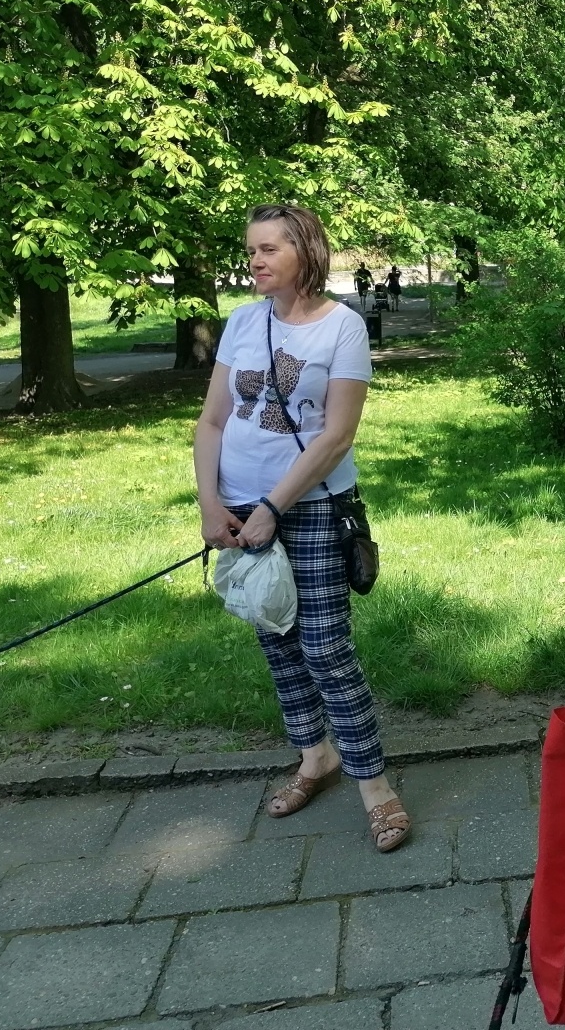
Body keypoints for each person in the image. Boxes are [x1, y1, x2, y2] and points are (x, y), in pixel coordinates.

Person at [193, 203, 411, 853]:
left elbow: (338, 434)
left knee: (325, 647)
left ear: (303, 251)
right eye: (250, 250)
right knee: (278, 644)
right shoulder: (239, 323)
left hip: (312, 506)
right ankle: (315, 758)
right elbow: (211, 422)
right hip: (236, 504)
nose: (254, 260)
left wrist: (274, 507)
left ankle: (375, 785)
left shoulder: (342, 328)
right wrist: (211, 503)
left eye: (267, 249)